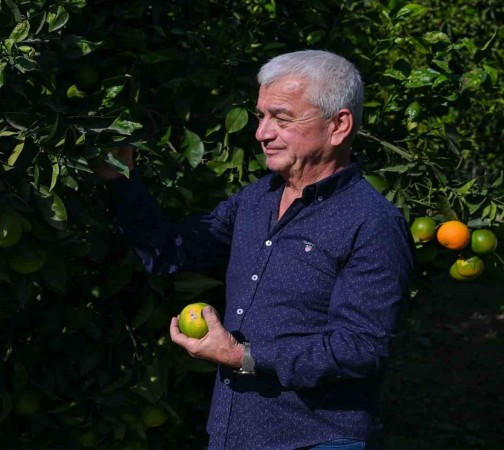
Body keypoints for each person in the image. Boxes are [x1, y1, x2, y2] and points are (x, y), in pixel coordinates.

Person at [95, 50, 415, 450]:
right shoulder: (255, 202)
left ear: (338, 126)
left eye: (281, 118)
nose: (262, 132)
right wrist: (121, 180)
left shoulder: (372, 222)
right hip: (234, 432)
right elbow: (171, 252)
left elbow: (358, 349)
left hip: (315, 439)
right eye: (262, 116)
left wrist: (242, 355)